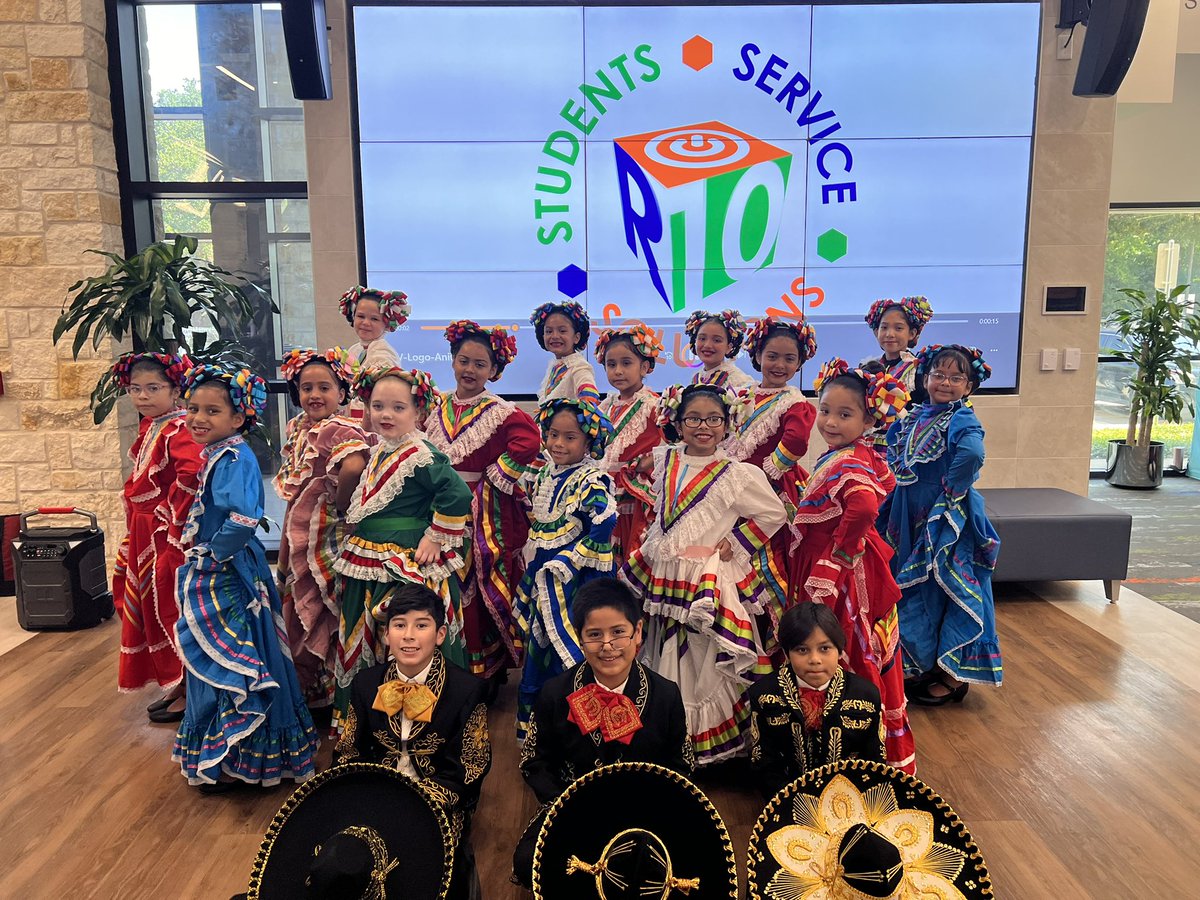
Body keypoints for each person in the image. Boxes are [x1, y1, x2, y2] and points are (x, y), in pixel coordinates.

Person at [621, 383, 787, 765]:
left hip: (704, 579)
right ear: (677, 423)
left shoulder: (736, 474)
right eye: (693, 418)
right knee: (661, 645)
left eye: (714, 419)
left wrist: (738, 542)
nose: (704, 427)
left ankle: (699, 743)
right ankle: (667, 732)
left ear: (728, 424)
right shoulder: (665, 458)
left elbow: (774, 513)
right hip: (665, 573)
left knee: (702, 654)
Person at [172, 364, 318, 791]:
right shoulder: (222, 453)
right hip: (227, 566)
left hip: (229, 571)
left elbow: (242, 517)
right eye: (193, 408)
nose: (198, 418)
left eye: (212, 411)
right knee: (225, 654)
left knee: (238, 656)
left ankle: (238, 752)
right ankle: (228, 753)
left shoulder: (234, 457)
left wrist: (211, 555)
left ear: (238, 418)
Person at [512, 577, 692, 890]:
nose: (607, 646)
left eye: (618, 632)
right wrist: (568, 805)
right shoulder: (554, 693)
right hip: (574, 809)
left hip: (645, 812)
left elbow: (682, 764)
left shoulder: (666, 695)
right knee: (528, 862)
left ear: (637, 632)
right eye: (594, 635)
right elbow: (534, 762)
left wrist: (651, 807)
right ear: (580, 638)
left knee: (676, 870)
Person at [789, 359, 915, 774]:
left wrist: (836, 559)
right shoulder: (849, 453)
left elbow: (861, 506)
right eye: (825, 410)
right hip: (843, 559)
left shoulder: (849, 460)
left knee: (844, 644)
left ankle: (853, 751)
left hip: (843, 572)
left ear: (868, 419)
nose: (830, 421)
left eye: (845, 414)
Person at [332, 367, 473, 731]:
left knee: (404, 632)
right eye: (378, 406)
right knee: (371, 632)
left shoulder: (419, 452)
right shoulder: (382, 449)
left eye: (398, 407)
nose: (386, 415)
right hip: (371, 554)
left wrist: (436, 535)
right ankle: (372, 721)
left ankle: (421, 723)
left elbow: (457, 494)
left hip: (406, 558)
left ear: (418, 412)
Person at [334, 582, 491, 900]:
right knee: (341, 865)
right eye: (399, 625)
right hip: (376, 795)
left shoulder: (467, 689)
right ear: (386, 635)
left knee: (425, 875)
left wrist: (420, 800)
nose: (409, 635)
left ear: (441, 634)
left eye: (421, 625)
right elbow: (348, 751)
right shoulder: (365, 684)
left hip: (438, 802)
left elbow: (471, 767)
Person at [879, 344, 1003, 705]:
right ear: (925, 377)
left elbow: (973, 453)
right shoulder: (915, 417)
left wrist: (952, 486)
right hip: (908, 514)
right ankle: (926, 664)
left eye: (956, 377)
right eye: (938, 374)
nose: (945, 382)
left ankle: (951, 675)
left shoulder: (960, 418)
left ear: (968, 386)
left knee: (950, 587)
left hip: (945, 517)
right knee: (920, 588)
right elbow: (891, 448)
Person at [425, 320, 541, 684]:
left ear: (494, 370)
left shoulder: (499, 410)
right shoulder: (437, 405)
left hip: (477, 514)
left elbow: (529, 441)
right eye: (463, 361)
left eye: (479, 364)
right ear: (452, 361)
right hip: (436, 509)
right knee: (444, 583)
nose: (469, 370)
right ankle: (447, 662)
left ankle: (481, 671)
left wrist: (493, 477)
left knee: (474, 584)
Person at [512, 397, 617, 743]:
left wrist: (570, 558)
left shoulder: (590, 479)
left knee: (573, 648)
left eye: (570, 437)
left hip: (576, 580)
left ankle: (584, 732)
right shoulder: (544, 472)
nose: (558, 443)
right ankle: (543, 729)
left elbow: (604, 521)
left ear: (589, 442)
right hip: (544, 571)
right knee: (540, 648)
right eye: (553, 434)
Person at [273, 347, 371, 712]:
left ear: (342, 394)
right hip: (298, 525)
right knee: (298, 595)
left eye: (324, 387)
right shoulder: (300, 427)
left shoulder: (338, 428)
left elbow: (354, 465)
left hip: (321, 530)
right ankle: (306, 685)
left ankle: (323, 685)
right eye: (306, 387)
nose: (314, 395)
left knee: (319, 599)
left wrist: (342, 505)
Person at [110, 351, 203, 722]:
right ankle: (176, 683)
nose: (143, 396)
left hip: (166, 535)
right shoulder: (153, 426)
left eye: (153, 388)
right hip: (145, 532)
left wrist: (169, 518)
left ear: (175, 389)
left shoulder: (178, 429)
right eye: (135, 389)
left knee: (171, 606)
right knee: (147, 604)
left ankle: (188, 685)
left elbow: (192, 474)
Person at [726, 315, 819, 632]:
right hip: (736, 488)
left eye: (789, 358)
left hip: (772, 489)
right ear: (757, 356)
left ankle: (775, 637)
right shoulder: (743, 395)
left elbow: (796, 440)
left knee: (770, 561)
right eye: (772, 356)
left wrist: (765, 474)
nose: (779, 365)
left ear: (799, 362)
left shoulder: (794, 401)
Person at [747, 602, 884, 797]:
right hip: (787, 799)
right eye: (802, 650)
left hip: (850, 799)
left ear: (840, 650)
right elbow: (764, 762)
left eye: (825, 648)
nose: (815, 659)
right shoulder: (764, 695)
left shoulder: (866, 696)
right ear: (786, 653)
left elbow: (874, 762)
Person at [595, 323, 664, 568]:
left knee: (630, 554)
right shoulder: (606, 405)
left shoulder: (655, 405)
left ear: (645, 367)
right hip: (605, 491)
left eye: (626, 363)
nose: (618, 371)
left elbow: (674, 445)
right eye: (611, 365)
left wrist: (648, 460)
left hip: (634, 494)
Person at [339, 285, 409, 426]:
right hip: (354, 421)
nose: (365, 323)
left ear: (387, 323)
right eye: (360, 316)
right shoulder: (355, 349)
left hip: (374, 424)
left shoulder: (383, 354)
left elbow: (382, 397)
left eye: (374, 319)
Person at [529, 300, 600, 405]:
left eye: (562, 331)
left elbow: (591, 400)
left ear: (576, 337)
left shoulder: (579, 366)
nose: (555, 336)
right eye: (549, 331)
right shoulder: (555, 366)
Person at [684, 308, 754, 391]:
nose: (707, 345)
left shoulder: (739, 381)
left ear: (729, 347)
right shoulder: (696, 378)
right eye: (702, 338)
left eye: (717, 340)